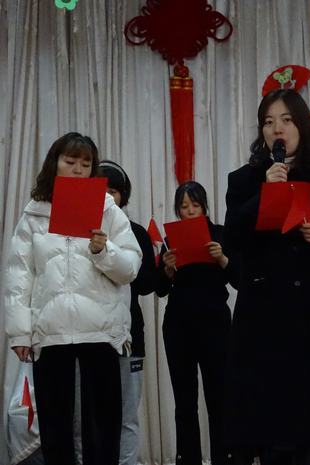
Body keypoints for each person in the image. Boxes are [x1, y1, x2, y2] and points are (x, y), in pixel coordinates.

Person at [224, 88, 310, 465]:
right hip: (265, 318)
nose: (277, 129)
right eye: (268, 122)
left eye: (286, 120)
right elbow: (233, 238)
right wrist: (265, 193)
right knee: (271, 428)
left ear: (301, 125)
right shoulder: (244, 180)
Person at [4, 132, 142, 465]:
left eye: (85, 163)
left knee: (103, 426)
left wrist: (104, 251)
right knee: (55, 427)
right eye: (70, 161)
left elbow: (130, 267)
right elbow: (20, 275)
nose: (78, 169)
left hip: (100, 331)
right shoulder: (34, 214)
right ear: (55, 163)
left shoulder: (108, 209)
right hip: (51, 333)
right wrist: (20, 332)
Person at [156, 181, 237, 465]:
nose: (189, 211)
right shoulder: (170, 239)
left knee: (219, 396)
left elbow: (238, 278)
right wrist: (167, 269)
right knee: (184, 400)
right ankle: (187, 458)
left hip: (215, 323)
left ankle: (223, 458)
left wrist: (222, 258)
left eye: (195, 205)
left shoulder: (220, 234)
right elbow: (159, 289)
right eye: (183, 206)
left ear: (204, 206)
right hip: (179, 324)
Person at [99, 160, 157, 465]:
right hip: (91, 335)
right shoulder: (80, 229)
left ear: (123, 195)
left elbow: (147, 284)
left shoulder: (136, 232)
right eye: (102, 189)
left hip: (130, 336)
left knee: (127, 415)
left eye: (114, 190)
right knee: (89, 415)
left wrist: (120, 264)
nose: (108, 196)